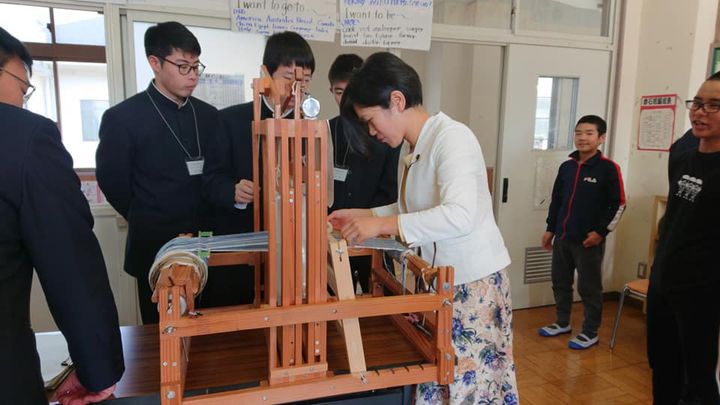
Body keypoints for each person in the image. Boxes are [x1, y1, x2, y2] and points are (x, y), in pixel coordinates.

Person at [328, 52, 518, 405]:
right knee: (442, 377)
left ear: (396, 101)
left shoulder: (453, 138)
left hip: (472, 286)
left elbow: (459, 214)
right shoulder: (416, 148)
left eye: (371, 120)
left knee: (469, 384)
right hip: (442, 282)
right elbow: (412, 209)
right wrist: (364, 213)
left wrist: (381, 223)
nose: (372, 131)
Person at [0, 27, 124, 404]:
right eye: (23, 88)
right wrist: (96, 370)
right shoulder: (24, 137)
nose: (23, 101)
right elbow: (70, 263)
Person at [96, 21, 218, 324]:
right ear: (155, 62)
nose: (192, 76)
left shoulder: (209, 116)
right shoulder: (123, 118)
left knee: (207, 325)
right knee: (161, 333)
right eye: (182, 66)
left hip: (204, 239)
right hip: (154, 242)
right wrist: (145, 213)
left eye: (195, 67)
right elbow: (114, 182)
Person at [202, 31, 315, 304]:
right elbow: (210, 180)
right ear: (265, 73)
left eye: (305, 80)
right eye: (288, 78)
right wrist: (233, 191)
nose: (295, 88)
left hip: (292, 249)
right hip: (242, 244)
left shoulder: (310, 128)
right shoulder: (229, 120)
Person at [647, 73, 720, 404]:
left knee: (698, 381)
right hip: (664, 284)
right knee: (663, 370)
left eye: (714, 105)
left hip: (703, 295)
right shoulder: (682, 153)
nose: (700, 112)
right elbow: (674, 216)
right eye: (698, 103)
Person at [538, 115, 626, 350]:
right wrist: (550, 229)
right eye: (578, 133)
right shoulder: (566, 167)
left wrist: (600, 233)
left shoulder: (608, 169)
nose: (582, 138)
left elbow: (618, 204)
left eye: (589, 133)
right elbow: (557, 200)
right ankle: (562, 322)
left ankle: (590, 331)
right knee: (560, 282)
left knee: (589, 288)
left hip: (588, 241)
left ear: (601, 138)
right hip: (563, 238)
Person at [327, 53, 399, 293]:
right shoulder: (326, 130)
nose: (345, 98)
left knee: (381, 296)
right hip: (335, 236)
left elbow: (388, 190)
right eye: (338, 92)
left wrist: (371, 226)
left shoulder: (387, 132)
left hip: (374, 235)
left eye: (349, 90)